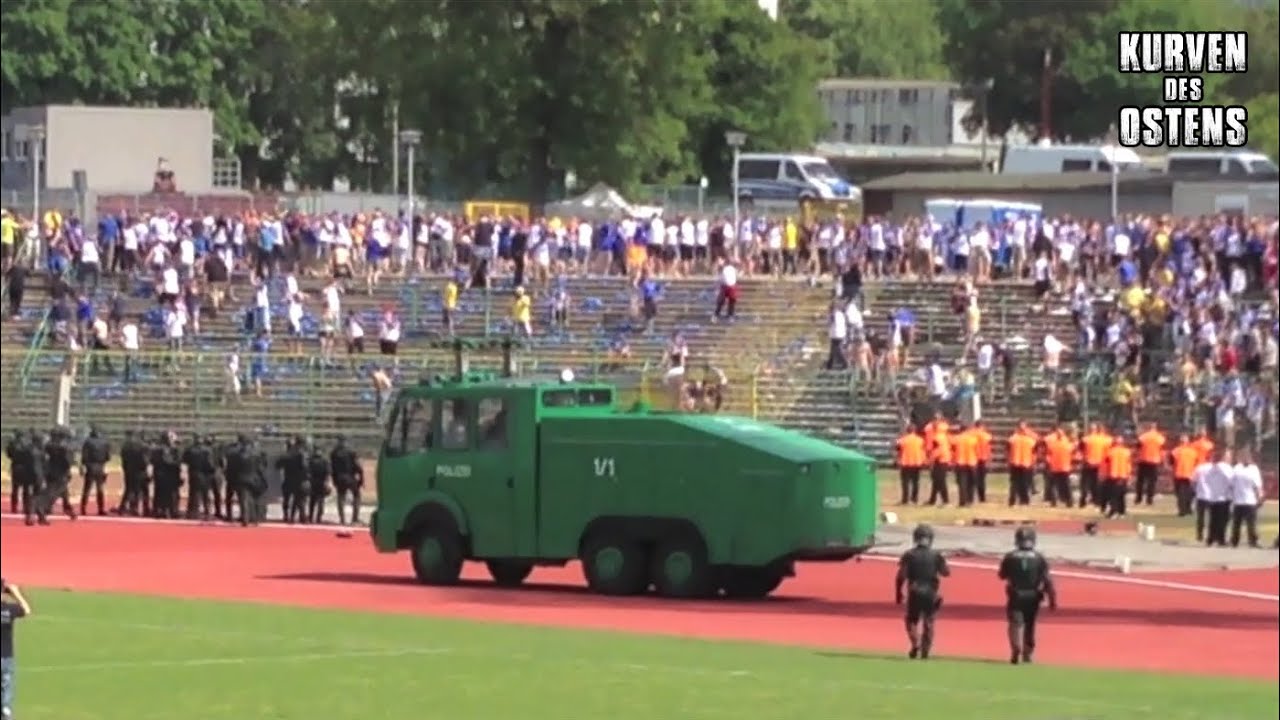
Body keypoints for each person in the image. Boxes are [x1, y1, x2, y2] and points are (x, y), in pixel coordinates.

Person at [997, 526, 1057, 665]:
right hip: (1033, 595)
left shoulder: (1010, 556)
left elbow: (1002, 575)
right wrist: (1052, 599)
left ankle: (1015, 648)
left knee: (1015, 623)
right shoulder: (1039, 558)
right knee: (1030, 624)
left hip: (1016, 594)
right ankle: (1028, 652)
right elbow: (1047, 580)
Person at [894, 524, 950, 660]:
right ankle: (926, 651)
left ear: (915, 538)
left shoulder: (909, 555)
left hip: (914, 591)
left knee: (911, 620)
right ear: (931, 539)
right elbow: (946, 573)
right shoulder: (936, 555)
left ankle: (915, 642)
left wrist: (898, 593)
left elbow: (901, 575)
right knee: (929, 621)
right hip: (931, 592)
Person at [1, 578, 33, 720]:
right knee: (6, 687)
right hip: (7, 655)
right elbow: (26, 610)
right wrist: (16, 593)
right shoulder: (10, 610)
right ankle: (6, 712)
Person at [1229, 449, 1264, 549]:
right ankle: (1234, 541)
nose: (1246, 459)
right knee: (1236, 523)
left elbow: (1258, 484)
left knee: (1251, 523)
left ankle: (1253, 541)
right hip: (1238, 500)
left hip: (1250, 500)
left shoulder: (1254, 469)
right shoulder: (1236, 468)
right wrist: (1232, 496)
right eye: (1244, 457)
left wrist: (1260, 497)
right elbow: (1231, 484)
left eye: (1248, 457)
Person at [330, 436, 364, 525]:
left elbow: (332, 468)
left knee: (341, 497)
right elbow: (358, 466)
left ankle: (342, 519)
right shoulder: (351, 452)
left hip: (339, 478)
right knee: (357, 496)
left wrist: (334, 480)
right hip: (350, 477)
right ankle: (354, 518)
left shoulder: (334, 453)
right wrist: (361, 479)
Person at [78, 425, 111, 516]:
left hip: (90, 466)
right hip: (100, 466)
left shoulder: (87, 442)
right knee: (100, 489)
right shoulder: (105, 442)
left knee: (87, 489)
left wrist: (83, 465)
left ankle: (83, 509)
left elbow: (84, 456)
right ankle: (101, 508)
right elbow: (108, 457)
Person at [118, 430, 151, 517]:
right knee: (142, 491)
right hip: (140, 471)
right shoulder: (143, 447)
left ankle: (125, 508)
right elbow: (145, 461)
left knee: (129, 490)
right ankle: (143, 509)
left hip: (129, 471)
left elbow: (123, 460)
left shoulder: (126, 447)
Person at [895, 425, 926, 505]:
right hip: (917, 462)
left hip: (906, 462)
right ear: (914, 431)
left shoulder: (902, 440)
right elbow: (923, 450)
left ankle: (905, 499)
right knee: (915, 482)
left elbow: (897, 449)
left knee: (905, 482)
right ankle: (914, 499)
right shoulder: (920, 440)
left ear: (907, 431)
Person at [306, 440, 331, 524]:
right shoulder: (324, 460)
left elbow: (307, 471)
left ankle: (311, 517)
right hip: (320, 482)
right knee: (320, 501)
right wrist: (327, 482)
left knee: (313, 501)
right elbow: (328, 472)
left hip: (314, 481)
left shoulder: (311, 459)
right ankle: (318, 518)